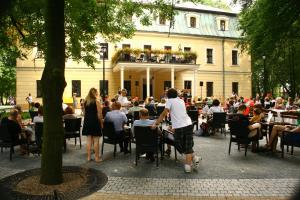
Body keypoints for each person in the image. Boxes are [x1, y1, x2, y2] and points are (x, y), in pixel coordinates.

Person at [153, 88, 201, 173]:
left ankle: (188, 166)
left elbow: (164, 113)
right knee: (186, 145)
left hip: (180, 126)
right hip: (188, 124)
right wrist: (173, 124)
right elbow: (179, 113)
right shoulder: (181, 100)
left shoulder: (170, 101)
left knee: (180, 144)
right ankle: (194, 158)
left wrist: (156, 123)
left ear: (168, 95)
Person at [82, 88, 103, 162]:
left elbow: (84, 113)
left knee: (88, 141)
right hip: (95, 121)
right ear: (95, 93)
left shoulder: (85, 102)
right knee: (96, 140)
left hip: (87, 121)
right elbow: (99, 114)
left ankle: (88, 157)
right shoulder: (97, 102)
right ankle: (97, 158)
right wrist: (101, 123)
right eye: (96, 93)